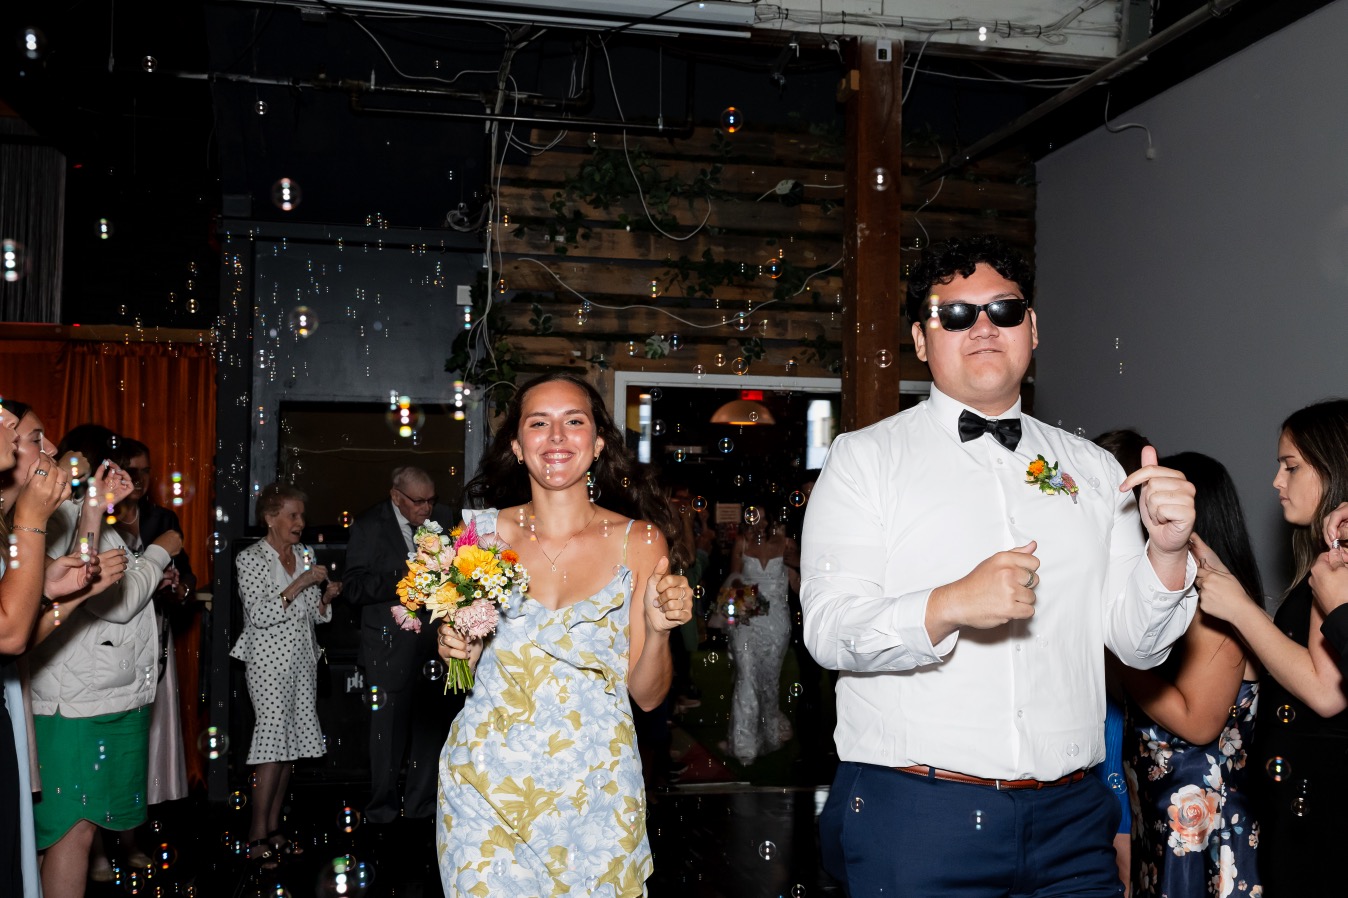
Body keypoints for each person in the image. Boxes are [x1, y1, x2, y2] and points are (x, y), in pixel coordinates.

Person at [801, 235, 1198, 896]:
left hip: (1073, 823)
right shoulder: (863, 460)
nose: (982, 327)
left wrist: (1167, 550)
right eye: (954, 315)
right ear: (922, 341)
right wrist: (949, 604)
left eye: (1003, 311)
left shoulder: (1094, 470)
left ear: (1032, 328)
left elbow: (1139, 643)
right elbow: (829, 628)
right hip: (919, 817)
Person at [433, 372, 693, 897]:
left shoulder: (639, 541)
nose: (556, 437)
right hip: (486, 786)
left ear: (597, 443)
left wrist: (660, 632)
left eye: (573, 422)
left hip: (594, 793)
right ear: (517, 444)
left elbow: (646, 695)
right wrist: (456, 645)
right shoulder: (478, 535)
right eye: (539, 423)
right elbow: (466, 658)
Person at [1193, 399, 1348, 895]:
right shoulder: (1324, 565)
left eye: (1291, 466)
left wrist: (1240, 609)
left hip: (1326, 816)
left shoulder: (1338, 570)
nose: (1277, 482)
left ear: (1335, 467)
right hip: (1303, 812)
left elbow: (1326, 693)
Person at [27, 424, 179, 898]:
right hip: (74, 703)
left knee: (82, 827)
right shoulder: (52, 517)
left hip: (101, 694)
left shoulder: (89, 514)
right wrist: (159, 552)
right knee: (69, 829)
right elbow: (103, 595)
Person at [1122, 452, 1261, 898]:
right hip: (1163, 825)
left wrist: (1116, 661)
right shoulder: (1173, 604)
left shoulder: (1214, 610)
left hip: (1206, 838)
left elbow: (1198, 724)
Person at [228, 483, 340, 867]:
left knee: (289, 745)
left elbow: (312, 614)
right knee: (272, 741)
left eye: (302, 515)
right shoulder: (250, 559)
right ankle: (256, 833)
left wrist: (324, 598)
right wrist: (300, 583)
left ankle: (274, 828)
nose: (300, 522)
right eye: (292, 515)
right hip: (266, 663)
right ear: (270, 518)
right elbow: (259, 615)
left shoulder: (305, 554)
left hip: (301, 660)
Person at [342, 466, 459, 826]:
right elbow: (353, 588)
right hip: (387, 645)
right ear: (396, 496)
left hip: (433, 645)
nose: (426, 508)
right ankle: (382, 811)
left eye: (431, 499)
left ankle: (422, 808)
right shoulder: (368, 525)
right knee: (386, 734)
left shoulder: (443, 518)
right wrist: (403, 578)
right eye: (418, 501)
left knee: (430, 729)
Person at [723, 501, 798, 764]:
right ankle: (744, 744)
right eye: (756, 518)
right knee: (746, 676)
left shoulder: (786, 544)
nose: (761, 524)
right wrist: (741, 600)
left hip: (776, 622)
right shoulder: (741, 542)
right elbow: (733, 579)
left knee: (768, 681)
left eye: (765, 519)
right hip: (746, 618)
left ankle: (768, 734)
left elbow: (797, 582)